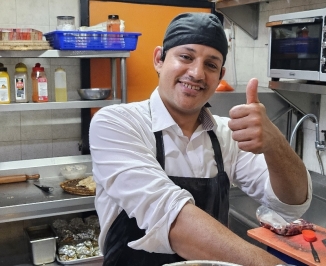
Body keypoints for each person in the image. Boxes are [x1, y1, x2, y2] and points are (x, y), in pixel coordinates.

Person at [89, 12, 312, 266]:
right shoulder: (116, 124)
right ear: (159, 59)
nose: (196, 73)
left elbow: (291, 205)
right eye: (186, 57)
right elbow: (167, 215)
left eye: (211, 65)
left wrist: (277, 144)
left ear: (220, 75)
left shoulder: (228, 134)